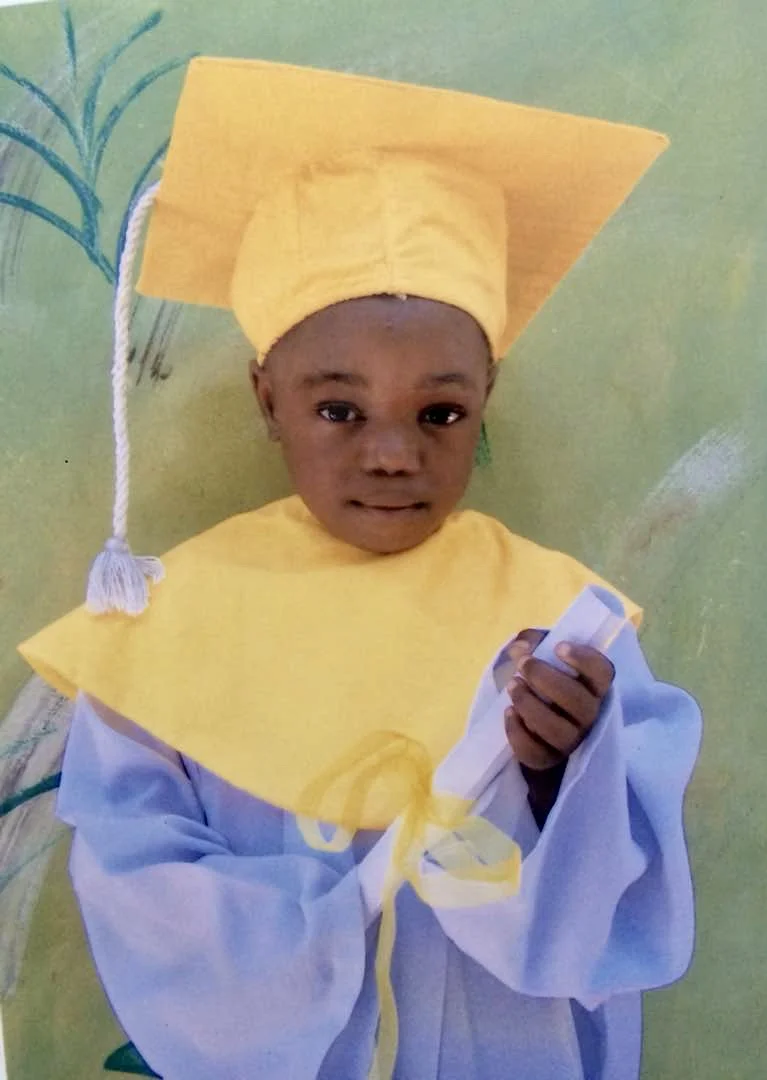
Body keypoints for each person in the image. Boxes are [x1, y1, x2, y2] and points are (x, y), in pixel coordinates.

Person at [19, 58, 701, 1080]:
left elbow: (620, 905)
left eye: (441, 412)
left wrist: (562, 776)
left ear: (486, 394)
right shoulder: (172, 618)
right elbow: (135, 874)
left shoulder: (559, 622)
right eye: (338, 408)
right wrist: (321, 929)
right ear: (268, 397)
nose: (391, 453)